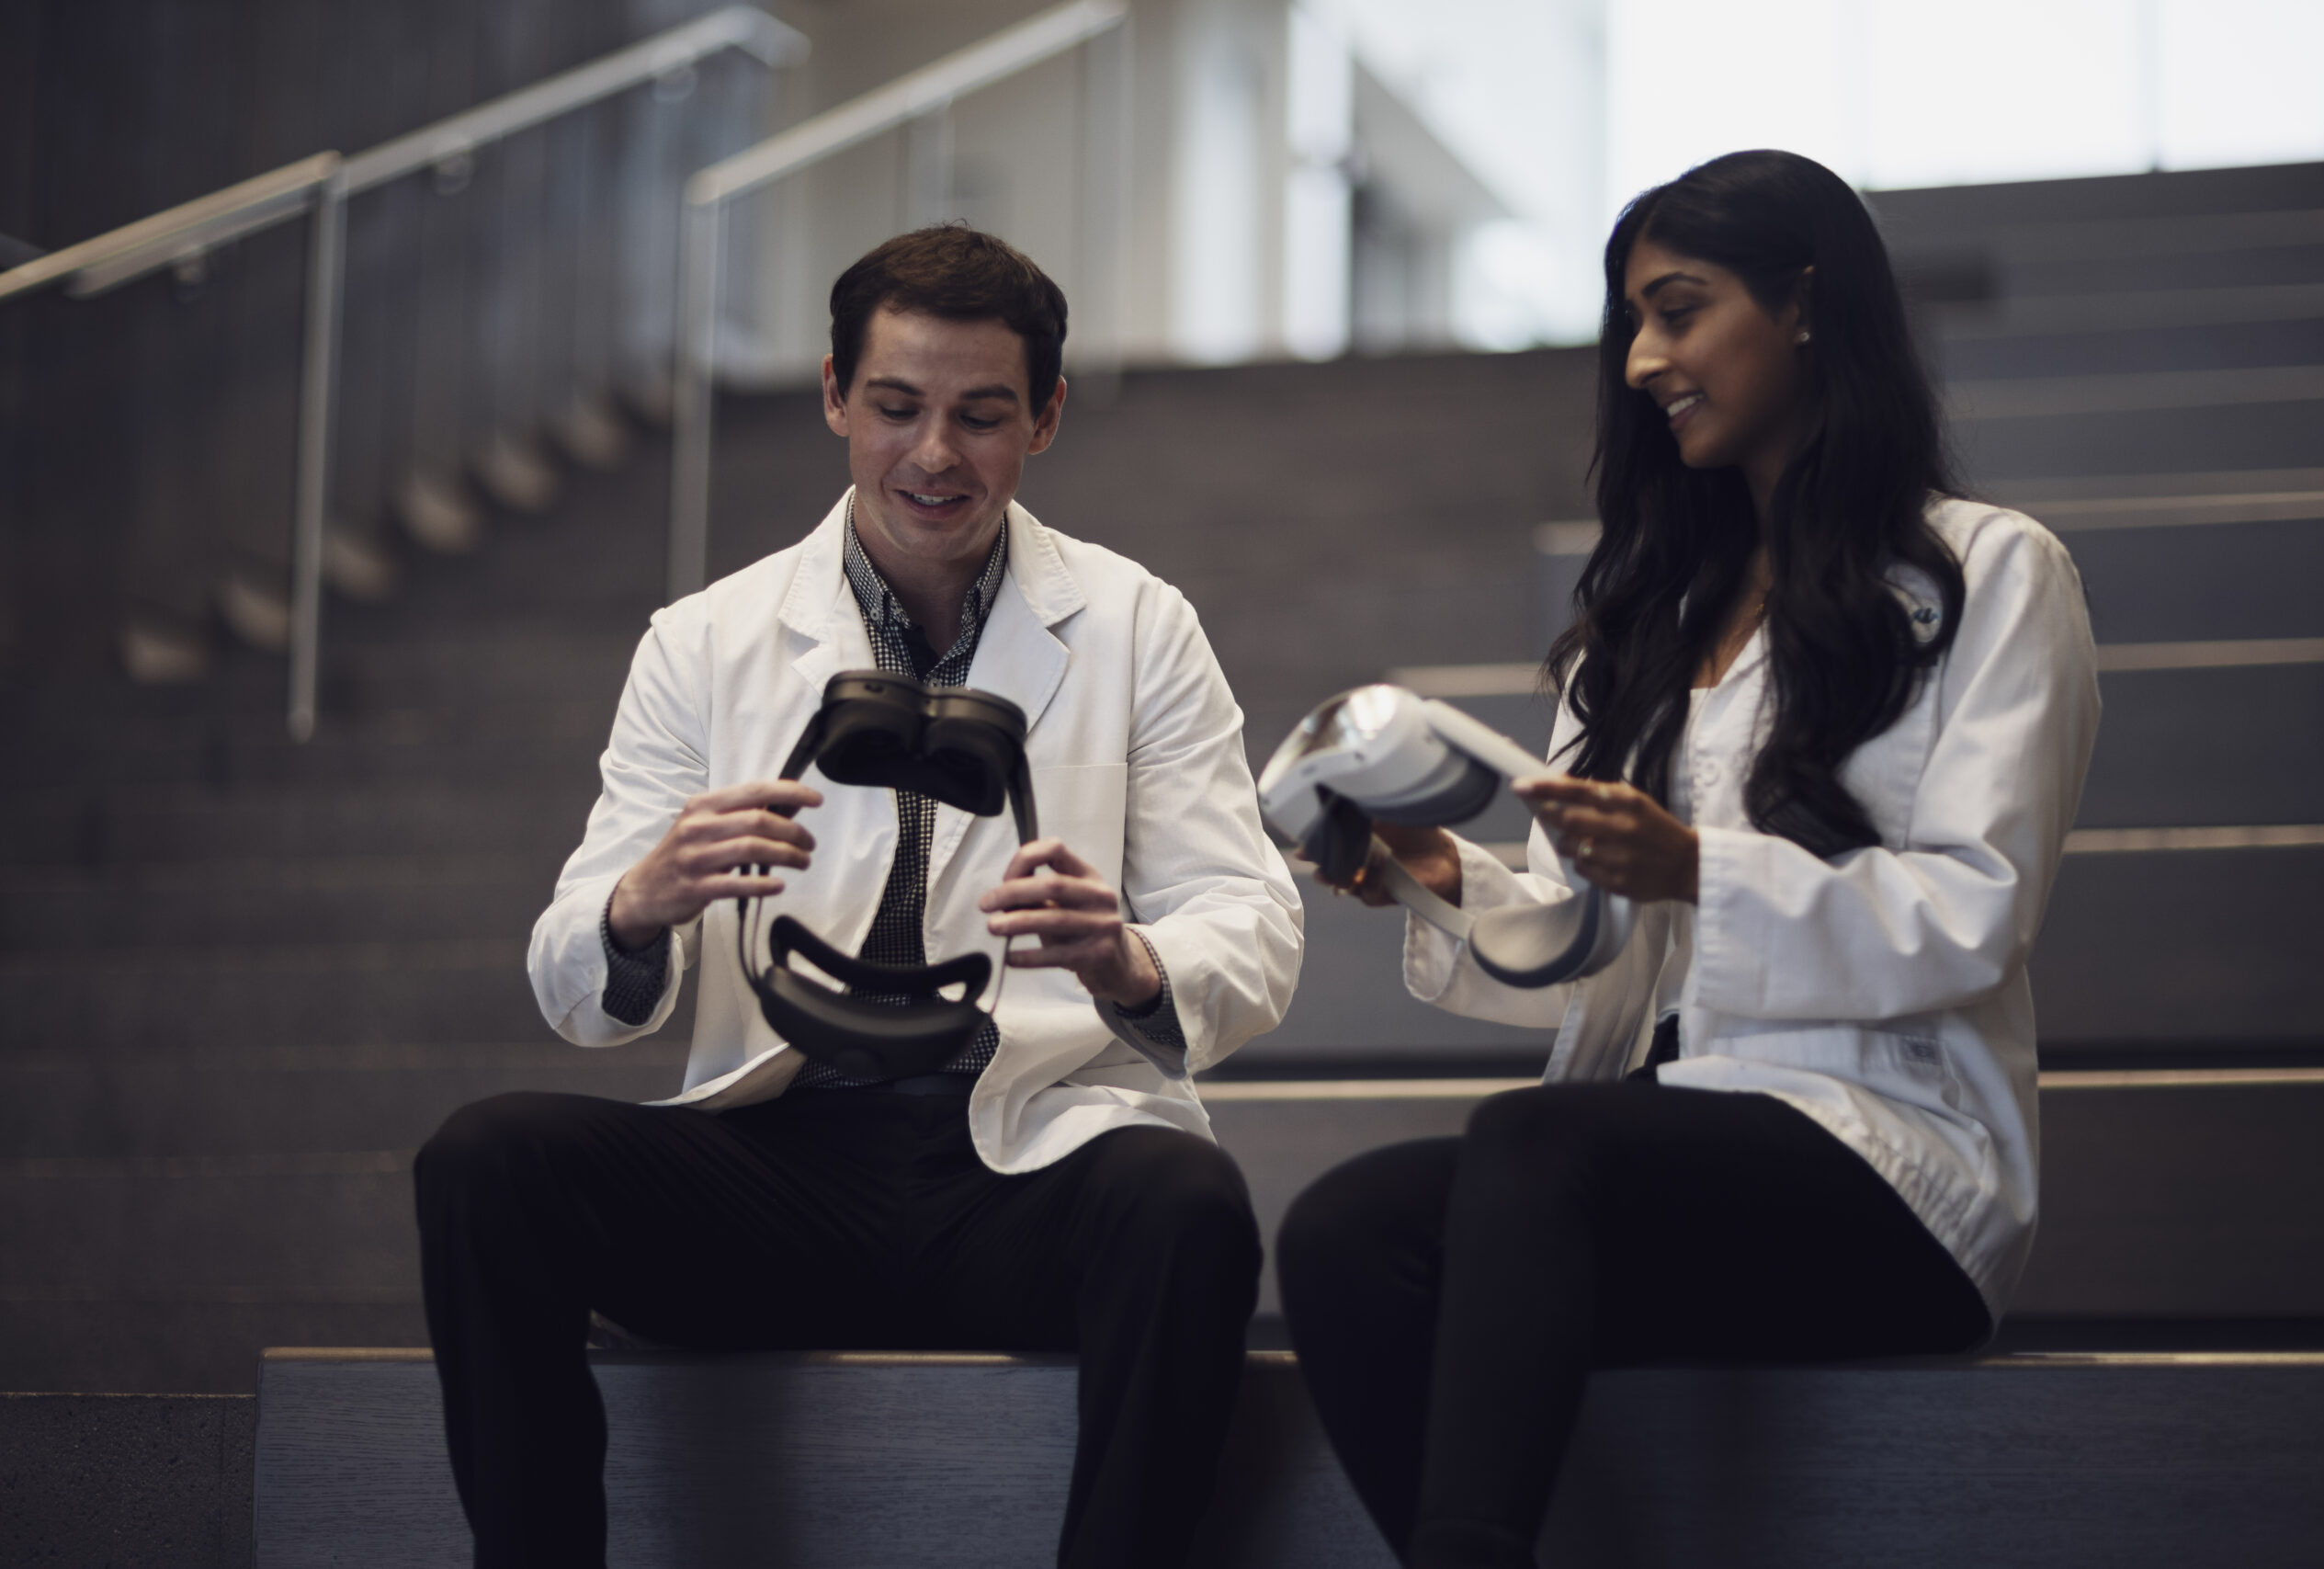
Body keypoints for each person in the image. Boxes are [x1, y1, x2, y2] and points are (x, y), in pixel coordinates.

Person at [414, 225, 1305, 1569]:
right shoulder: (705, 640)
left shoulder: (1139, 626)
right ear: (836, 395)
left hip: (1024, 1157)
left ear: (1045, 418)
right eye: (895, 407)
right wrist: (640, 905)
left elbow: (1250, 922)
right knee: (487, 1163)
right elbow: (568, 976)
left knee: (1184, 1208)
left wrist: (1125, 959)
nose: (933, 456)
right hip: (779, 1167)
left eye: (980, 416)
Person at [1275, 150, 2101, 1569]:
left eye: (1680, 309)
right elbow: (1590, 953)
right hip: (1641, 1160)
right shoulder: (1642, 631)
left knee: (1533, 1149)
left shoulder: (1986, 575)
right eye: (1633, 325)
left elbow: (1977, 917)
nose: (1647, 357)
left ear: (1802, 304)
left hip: (1893, 1169)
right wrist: (1437, 872)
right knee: (1348, 1234)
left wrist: (1700, 870)